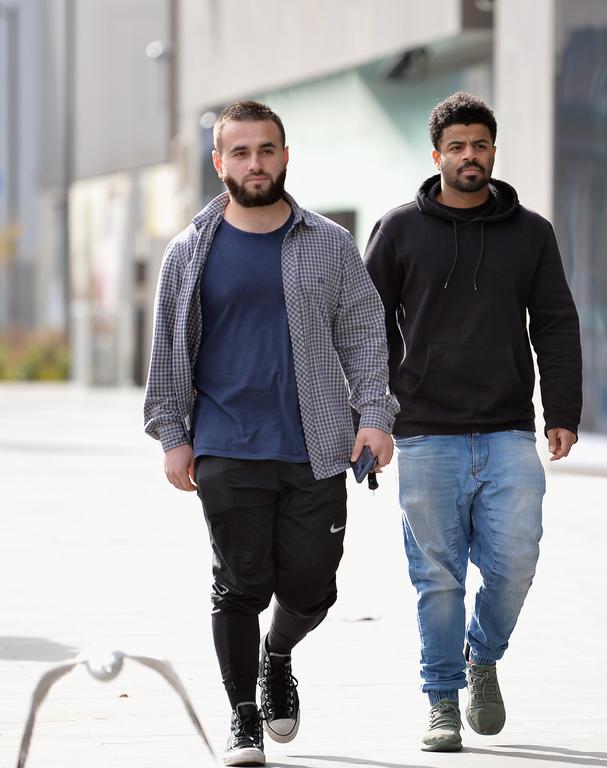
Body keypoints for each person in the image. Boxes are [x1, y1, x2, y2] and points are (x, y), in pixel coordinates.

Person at [143, 100, 397, 765]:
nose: (255, 164)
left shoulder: (328, 244)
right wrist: (172, 432)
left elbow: (365, 334)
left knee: (313, 587)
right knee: (239, 585)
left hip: (316, 445)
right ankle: (241, 717)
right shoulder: (190, 251)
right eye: (241, 152)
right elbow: (169, 347)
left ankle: (276, 655)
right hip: (226, 446)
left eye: (266, 150)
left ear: (285, 156)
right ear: (219, 161)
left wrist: (373, 417)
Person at [364, 91, 583, 751]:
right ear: (437, 156)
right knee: (438, 576)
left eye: (479, 145)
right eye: (456, 147)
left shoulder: (531, 234)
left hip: (508, 428)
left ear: (493, 151)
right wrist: (371, 418)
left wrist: (563, 411)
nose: (469, 156)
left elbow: (555, 323)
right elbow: (366, 330)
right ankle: (440, 702)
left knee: (516, 562)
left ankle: (480, 654)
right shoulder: (399, 230)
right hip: (426, 432)